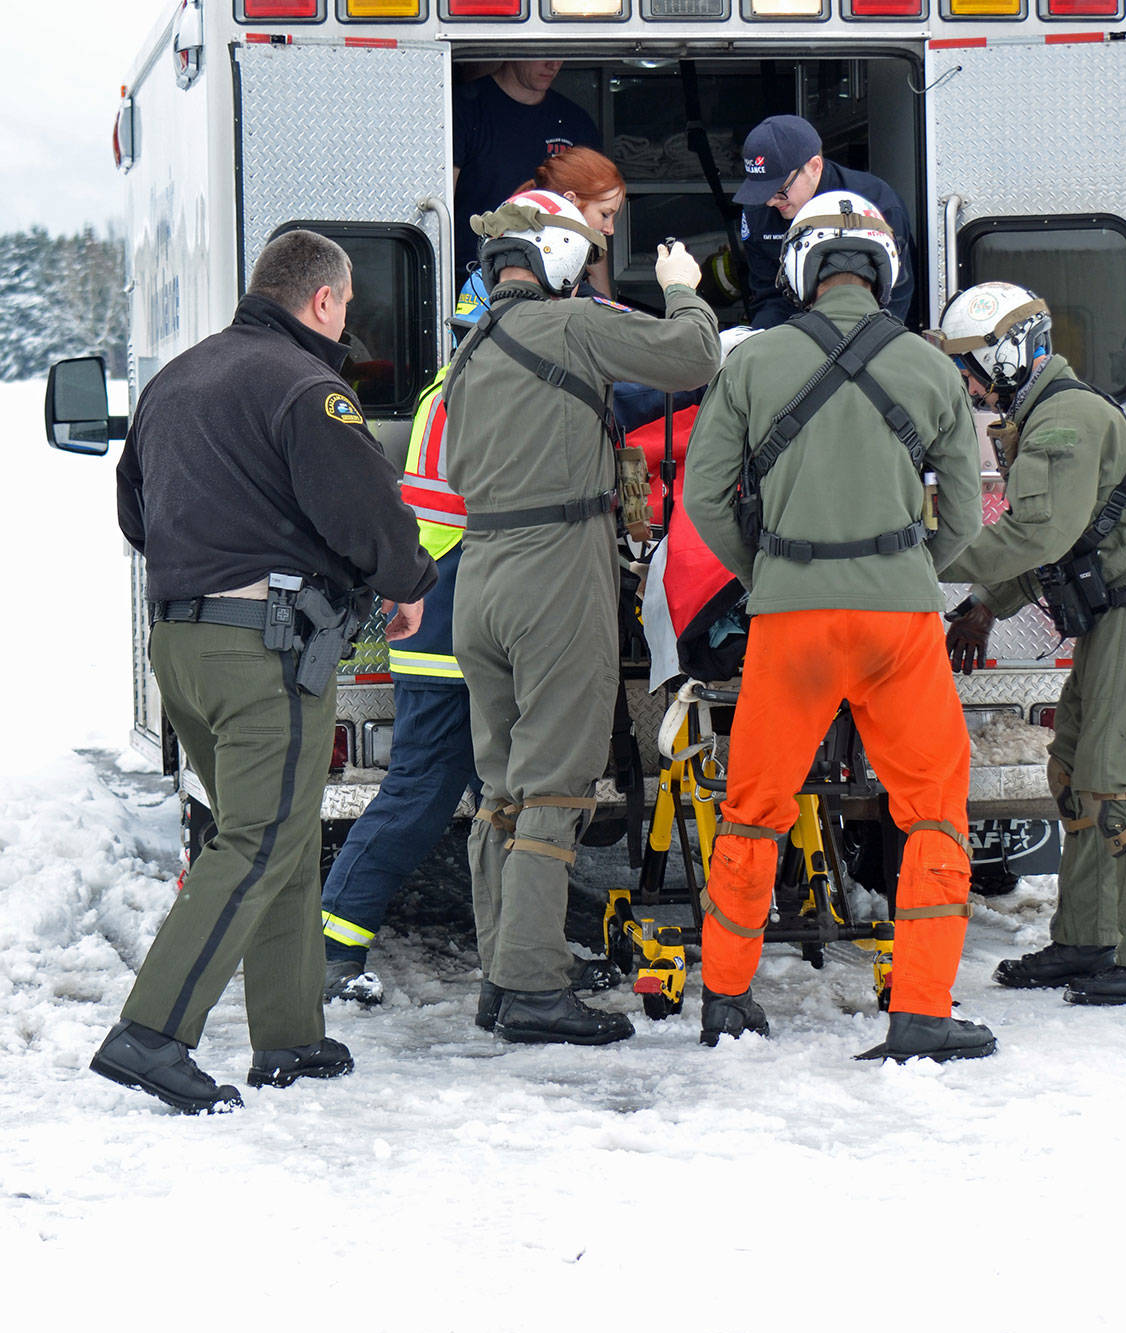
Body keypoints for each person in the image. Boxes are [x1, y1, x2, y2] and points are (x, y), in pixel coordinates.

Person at [93, 230, 436, 1114]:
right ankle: (152, 1034)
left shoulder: (179, 378)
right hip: (263, 649)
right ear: (322, 300)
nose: (348, 320)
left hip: (180, 647)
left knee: (279, 831)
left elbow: (136, 513)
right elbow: (366, 510)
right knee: (256, 839)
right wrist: (407, 585)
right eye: (348, 305)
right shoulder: (307, 389)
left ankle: (290, 1037)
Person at [683, 190, 995, 1062]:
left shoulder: (752, 363)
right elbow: (964, 517)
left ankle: (728, 998)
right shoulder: (932, 368)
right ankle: (922, 1012)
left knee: (752, 809)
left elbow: (706, 499)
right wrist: (905, 570)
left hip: (790, 621)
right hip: (900, 620)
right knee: (933, 810)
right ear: (884, 273)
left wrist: (768, 572)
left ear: (799, 269)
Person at [443, 190, 721, 1045]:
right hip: (553, 572)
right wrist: (683, 289)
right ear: (561, 260)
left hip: (479, 577)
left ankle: (501, 973)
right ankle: (532, 987)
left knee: (499, 792)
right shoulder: (569, 328)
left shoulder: (472, 348)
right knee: (556, 789)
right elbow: (695, 355)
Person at [937, 281, 1126, 1005]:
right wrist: (987, 607)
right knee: (1073, 770)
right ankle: (1087, 939)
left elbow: (1038, 534)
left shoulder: (1067, 420)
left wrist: (930, 559)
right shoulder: (1047, 417)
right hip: (1118, 610)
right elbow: (1063, 549)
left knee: (1116, 781)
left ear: (1005, 356)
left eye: (971, 364)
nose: (967, 382)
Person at [319, 363, 481, 1008]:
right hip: (449, 615)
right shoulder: (492, 382)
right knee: (426, 789)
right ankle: (336, 946)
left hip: (440, 603)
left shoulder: (451, 380)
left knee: (476, 793)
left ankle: (528, 958)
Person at [734, 114, 915, 328]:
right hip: (795, 335)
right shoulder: (758, 213)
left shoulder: (876, 206)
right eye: (761, 190)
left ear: (814, 166)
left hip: (870, 331)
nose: (770, 201)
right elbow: (769, 297)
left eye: (779, 189)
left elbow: (896, 298)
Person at [451, 61, 600, 294]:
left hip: (562, 285)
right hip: (476, 282)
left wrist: (608, 302)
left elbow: (593, 220)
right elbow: (440, 205)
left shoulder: (576, 123)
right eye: (542, 52)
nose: (553, 64)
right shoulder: (462, 110)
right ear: (516, 46)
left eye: (560, 53)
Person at [454, 147, 626, 320]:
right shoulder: (484, 283)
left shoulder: (485, 276)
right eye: (605, 214)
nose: (610, 229)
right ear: (570, 202)